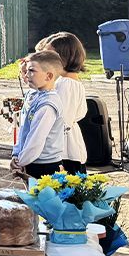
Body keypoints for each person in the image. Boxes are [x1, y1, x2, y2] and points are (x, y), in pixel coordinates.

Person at [38, 32, 89, 174]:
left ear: (65, 56)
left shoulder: (66, 84)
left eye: (50, 54)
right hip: (65, 148)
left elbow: (61, 122)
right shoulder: (66, 82)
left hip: (63, 151)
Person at [10, 51, 66, 179]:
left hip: (45, 166)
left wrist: (20, 162)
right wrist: (16, 154)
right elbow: (23, 130)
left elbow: (36, 139)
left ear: (48, 76)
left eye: (31, 71)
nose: (26, 75)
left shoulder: (48, 105)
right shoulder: (33, 95)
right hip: (30, 162)